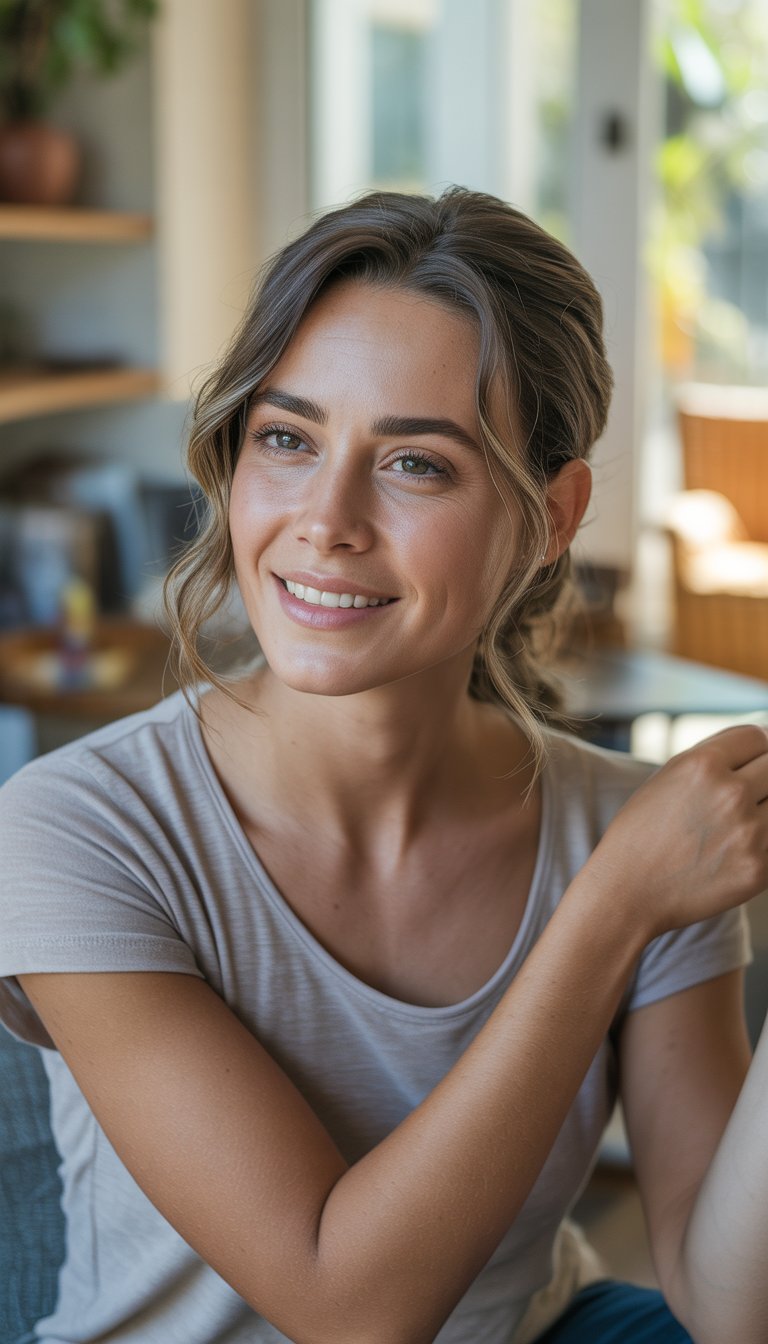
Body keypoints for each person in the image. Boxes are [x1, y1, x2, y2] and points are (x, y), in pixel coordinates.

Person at [1, 187, 767, 1344]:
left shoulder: (632, 827)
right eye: (287, 439)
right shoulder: (77, 829)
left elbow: (730, 1308)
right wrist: (612, 908)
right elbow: (347, 1308)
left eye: (416, 464)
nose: (326, 519)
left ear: (553, 516)